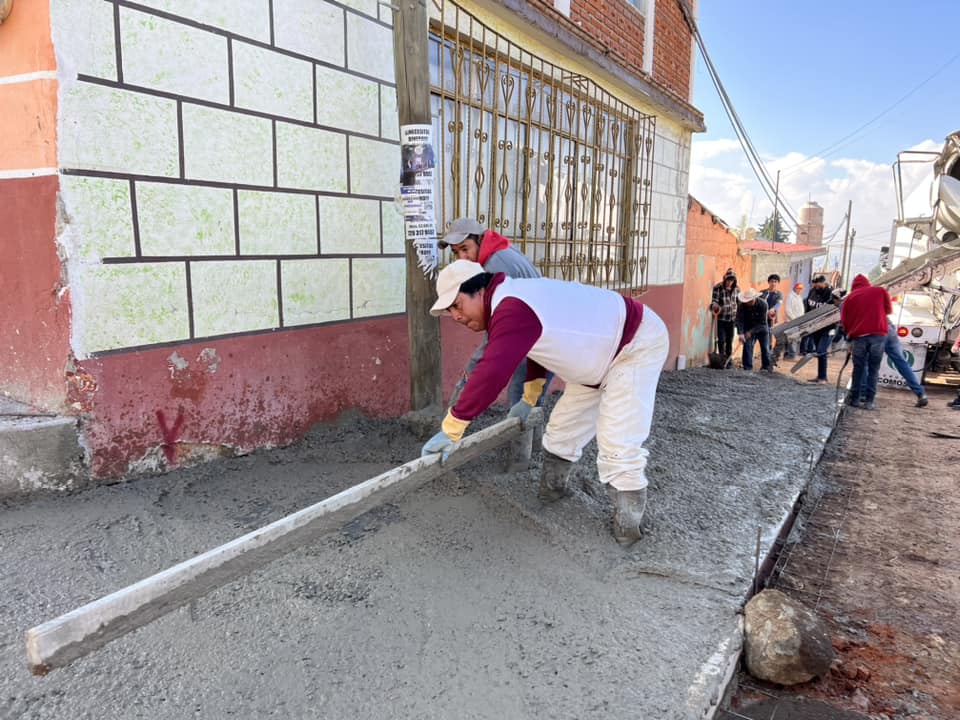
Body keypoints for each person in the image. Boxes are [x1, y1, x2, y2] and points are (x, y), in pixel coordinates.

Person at [420, 260, 670, 544]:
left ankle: (628, 533)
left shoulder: (511, 306)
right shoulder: (511, 302)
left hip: (633, 344)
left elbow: (492, 372)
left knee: (618, 444)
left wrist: (452, 428)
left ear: (478, 290)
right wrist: (528, 398)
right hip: (595, 362)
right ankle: (552, 494)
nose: (455, 316)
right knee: (561, 433)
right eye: (449, 310)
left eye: (456, 305)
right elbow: (538, 350)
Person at [439, 217, 551, 408]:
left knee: (521, 397)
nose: (462, 258)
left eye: (465, 249)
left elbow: (497, 330)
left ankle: (524, 438)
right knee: (529, 398)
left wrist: (471, 372)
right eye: (456, 252)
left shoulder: (495, 267)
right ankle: (534, 438)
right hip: (539, 324)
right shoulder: (500, 249)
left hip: (540, 329)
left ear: (480, 239)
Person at [840, 274, 892, 409]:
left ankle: (855, 399)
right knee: (874, 369)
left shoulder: (850, 298)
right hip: (878, 336)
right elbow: (888, 310)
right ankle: (869, 401)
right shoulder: (880, 291)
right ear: (867, 283)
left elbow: (845, 322)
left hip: (859, 337)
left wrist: (849, 336)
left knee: (858, 368)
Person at [860, 322, 928, 407]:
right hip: (889, 330)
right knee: (901, 363)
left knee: (864, 363)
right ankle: (921, 394)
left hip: (873, 332)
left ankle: (863, 394)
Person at [804, 275, 836, 383]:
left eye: (818, 283)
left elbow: (835, 311)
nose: (816, 285)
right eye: (814, 283)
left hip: (828, 327)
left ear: (824, 283)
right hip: (815, 327)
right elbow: (808, 308)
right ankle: (821, 376)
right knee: (819, 352)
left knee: (821, 351)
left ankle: (823, 377)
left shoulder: (831, 294)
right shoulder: (812, 291)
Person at [735, 288, 771, 371]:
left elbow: (762, 322)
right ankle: (747, 368)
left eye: (750, 301)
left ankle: (766, 367)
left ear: (755, 298)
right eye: (747, 301)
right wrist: (740, 333)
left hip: (761, 328)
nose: (748, 303)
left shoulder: (763, 304)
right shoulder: (742, 305)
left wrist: (750, 332)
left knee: (765, 348)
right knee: (747, 347)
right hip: (748, 327)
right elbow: (739, 320)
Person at [709, 268, 738, 361]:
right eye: (728, 280)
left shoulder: (737, 289)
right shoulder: (718, 287)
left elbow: (739, 301)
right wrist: (715, 305)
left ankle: (728, 360)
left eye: (732, 280)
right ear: (725, 279)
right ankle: (721, 358)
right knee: (721, 340)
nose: (730, 282)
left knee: (729, 340)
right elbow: (714, 300)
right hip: (721, 318)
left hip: (732, 319)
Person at [784, 282, 805, 358]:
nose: (800, 290)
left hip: (798, 320)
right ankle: (791, 355)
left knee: (796, 338)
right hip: (792, 321)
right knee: (792, 338)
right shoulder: (790, 296)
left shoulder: (799, 297)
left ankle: (791, 354)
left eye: (801, 289)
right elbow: (787, 310)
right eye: (798, 288)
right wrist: (794, 320)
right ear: (795, 288)